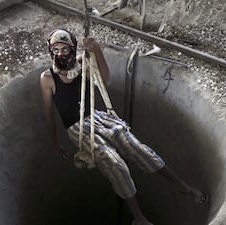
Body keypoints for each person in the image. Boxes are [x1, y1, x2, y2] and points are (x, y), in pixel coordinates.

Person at [40, 28, 207, 225]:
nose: (60, 54)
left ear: (72, 49)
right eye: (55, 49)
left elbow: (105, 80)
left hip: (97, 117)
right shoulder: (47, 78)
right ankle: (139, 218)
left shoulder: (82, 62)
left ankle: (182, 186)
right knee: (115, 164)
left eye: (65, 50)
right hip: (77, 129)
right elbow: (49, 114)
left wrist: (97, 50)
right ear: (50, 51)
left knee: (137, 148)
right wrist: (55, 143)